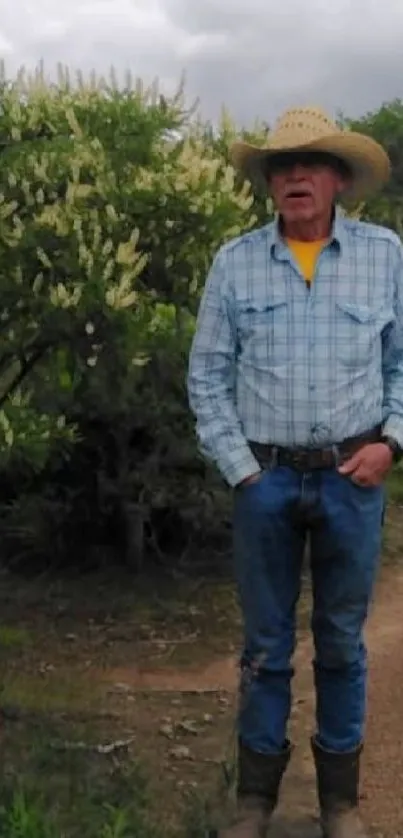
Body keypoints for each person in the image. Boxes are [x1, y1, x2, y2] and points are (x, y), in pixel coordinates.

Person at [187, 105, 403, 838]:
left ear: (338, 179)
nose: (294, 177)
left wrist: (390, 444)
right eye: (281, 167)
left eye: (309, 164)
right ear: (269, 184)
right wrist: (241, 470)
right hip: (265, 482)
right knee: (264, 645)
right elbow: (206, 375)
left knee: (341, 640)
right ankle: (255, 804)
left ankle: (339, 805)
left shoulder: (385, 255)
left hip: (353, 479)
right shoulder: (234, 261)